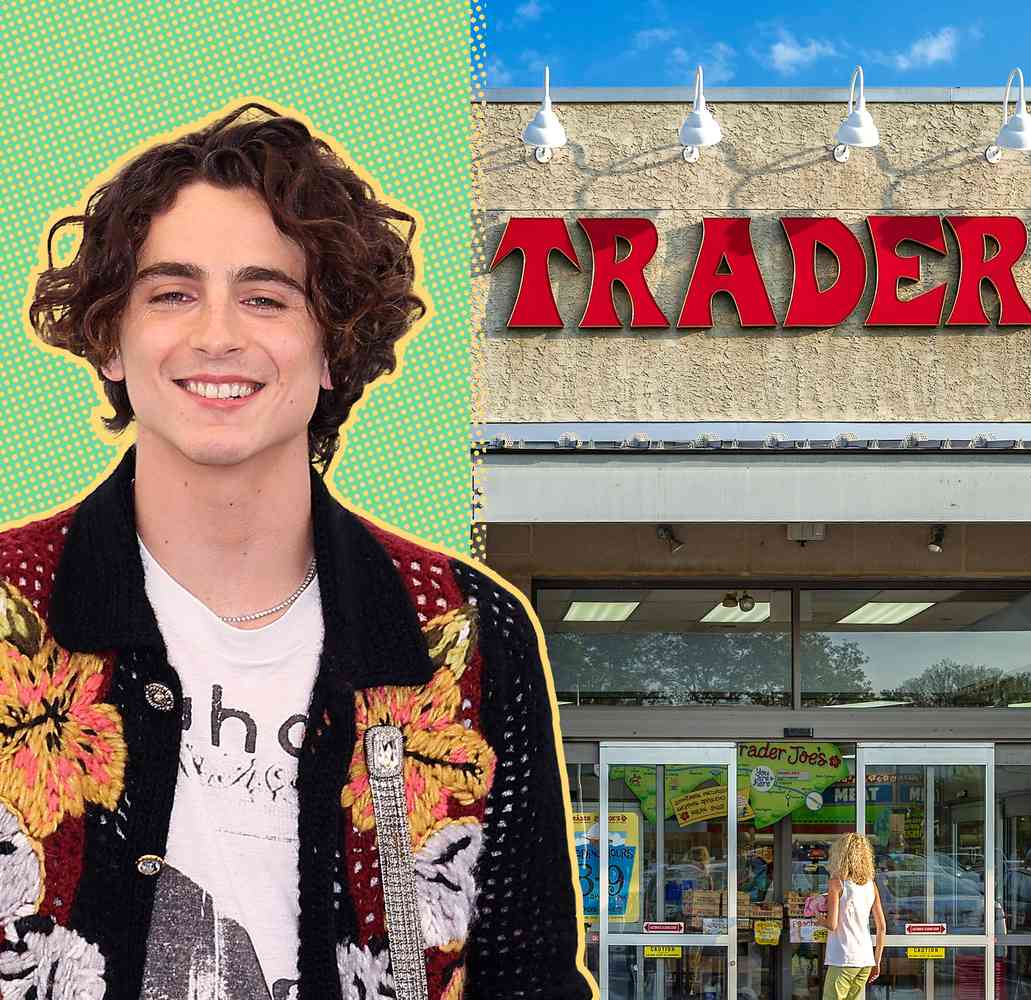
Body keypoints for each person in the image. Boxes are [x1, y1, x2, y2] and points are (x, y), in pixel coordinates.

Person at [2, 104, 594, 1000]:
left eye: (265, 297)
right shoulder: (13, 609)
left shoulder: (463, 632)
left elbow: (530, 976)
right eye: (170, 293)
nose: (216, 335)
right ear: (110, 340)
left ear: (333, 350)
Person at [816, 833, 887, 1000]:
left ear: (840, 855)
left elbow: (832, 925)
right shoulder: (871, 884)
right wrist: (876, 962)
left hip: (843, 958)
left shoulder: (836, 883)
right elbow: (882, 927)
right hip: (865, 960)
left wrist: (819, 919)